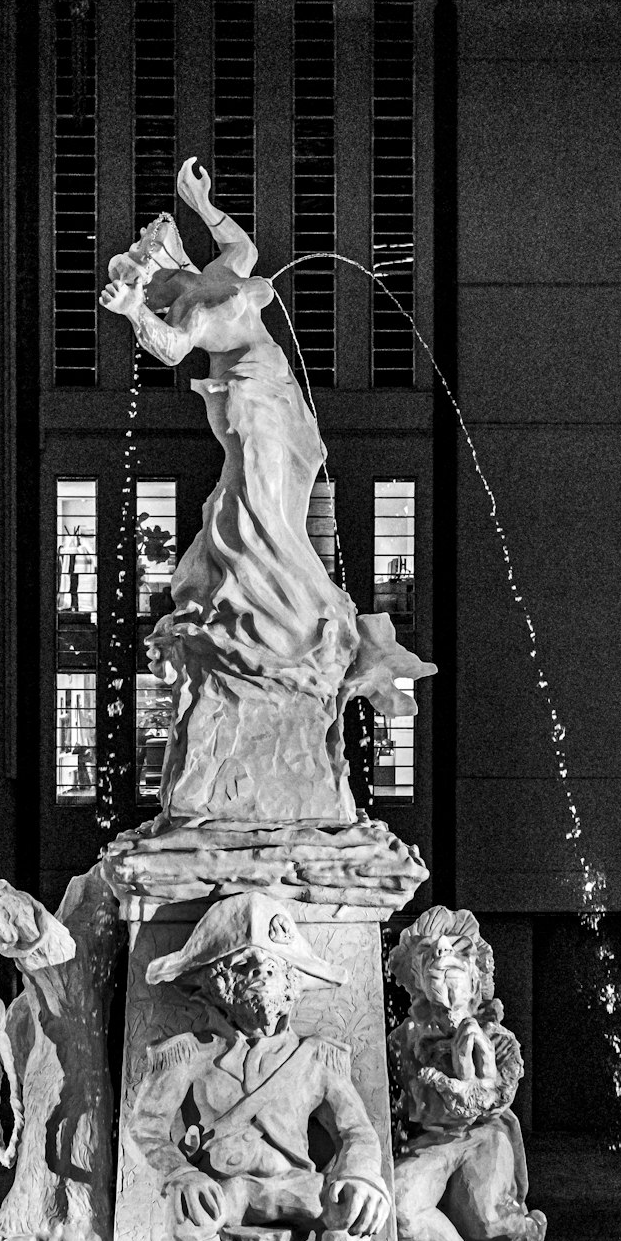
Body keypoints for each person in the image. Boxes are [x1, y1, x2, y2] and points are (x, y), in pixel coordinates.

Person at [100, 160, 434, 824]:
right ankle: (278, 618)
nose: (151, 248)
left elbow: (241, 247)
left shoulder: (215, 275)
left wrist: (201, 203)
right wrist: (136, 309)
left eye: (149, 246)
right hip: (248, 405)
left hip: (278, 398)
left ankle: (296, 614)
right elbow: (168, 350)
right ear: (156, 272)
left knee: (271, 511)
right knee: (251, 515)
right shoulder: (189, 306)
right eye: (145, 257)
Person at [127, 894, 390, 1241]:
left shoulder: (317, 1058)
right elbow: (144, 1128)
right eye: (246, 965)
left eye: (274, 967)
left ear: (292, 981)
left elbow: (357, 1131)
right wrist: (181, 1174)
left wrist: (360, 1175)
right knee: (186, 1215)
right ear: (217, 981)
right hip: (227, 1189)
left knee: (356, 1207)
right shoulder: (186, 1056)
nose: (263, 976)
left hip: (296, 1185)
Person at [386, 908, 553, 1241]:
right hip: (435, 1141)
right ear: (419, 984)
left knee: (485, 1216)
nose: (445, 984)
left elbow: (492, 1095)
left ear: (475, 979)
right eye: (435, 974)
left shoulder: (497, 1039)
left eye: (455, 972)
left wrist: (474, 1059)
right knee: (400, 1205)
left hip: (484, 1135)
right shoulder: (404, 1040)